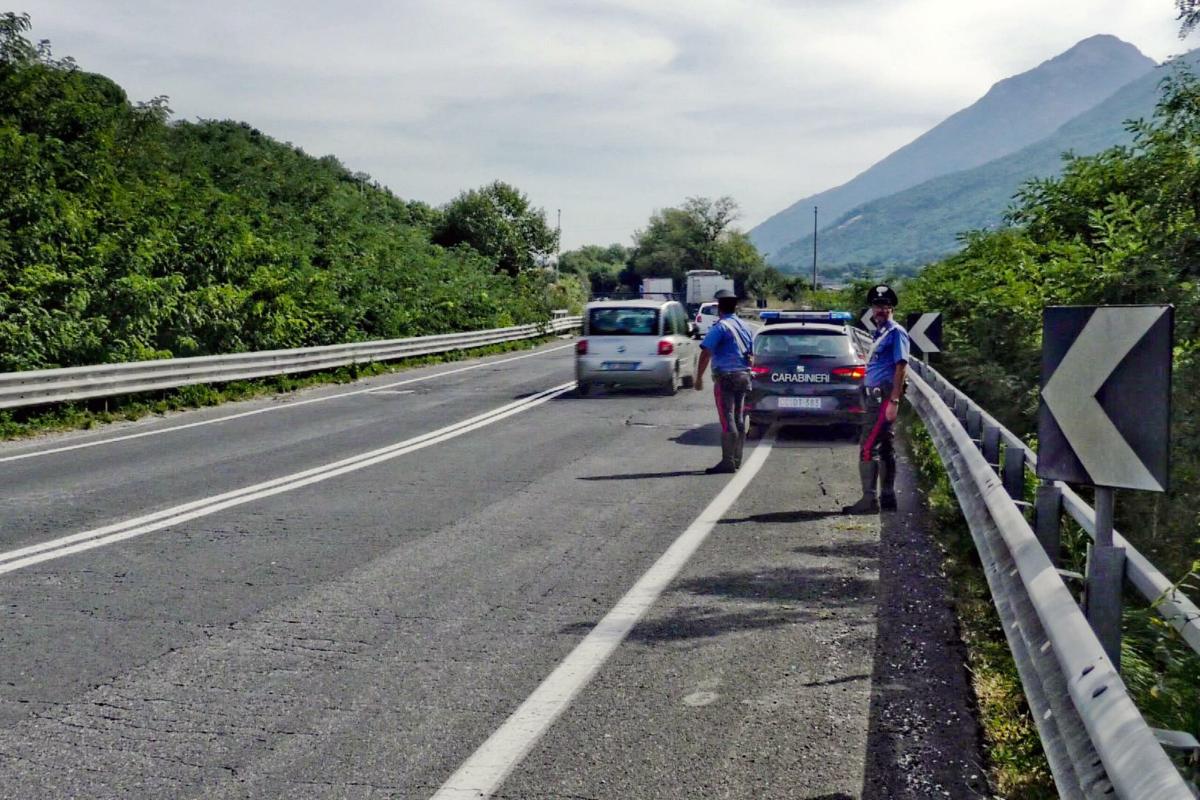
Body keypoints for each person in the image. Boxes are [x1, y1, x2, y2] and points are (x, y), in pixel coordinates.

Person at [843, 284, 910, 513]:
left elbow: (901, 366)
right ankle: (888, 496)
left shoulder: (895, 333)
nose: (880, 310)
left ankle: (869, 500)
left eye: (885, 306)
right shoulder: (879, 333)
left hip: (883, 398)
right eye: (876, 306)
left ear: (892, 308)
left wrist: (894, 401)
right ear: (871, 309)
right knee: (885, 446)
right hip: (876, 396)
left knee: (867, 446)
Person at [694, 288, 754, 474]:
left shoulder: (720, 327)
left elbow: (706, 353)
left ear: (719, 307)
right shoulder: (744, 326)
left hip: (726, 377)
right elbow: (752, 353)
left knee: (727, 417)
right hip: (744, 376)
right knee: (739, 417)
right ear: (735, 307)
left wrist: (698, 378)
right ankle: (737, 459)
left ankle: (727, 461)